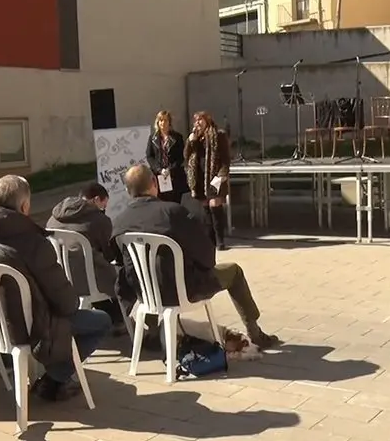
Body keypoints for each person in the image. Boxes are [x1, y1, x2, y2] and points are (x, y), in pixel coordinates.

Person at [0, 176, 112, 401]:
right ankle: (56, 377)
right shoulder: (32, 241)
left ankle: (55, 374)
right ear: (24, 206)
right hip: (36, 328)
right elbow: (66, 302)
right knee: (101, 321)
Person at [111, 165, 279, 348]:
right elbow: (206, 255)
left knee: (149, 274)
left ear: (128, 190)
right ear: (154, 183)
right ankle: (255, 333)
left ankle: (150, 334)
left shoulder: (119, 222)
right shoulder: (173, 213)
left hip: (145, 293)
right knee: (234, 272)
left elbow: (119, 264)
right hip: (184, 290)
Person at [46, 182, 117, 298]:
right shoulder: (100, 220)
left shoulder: (53, 219)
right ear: (96, 199)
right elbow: (109, 255)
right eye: (104, 206)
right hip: (90, 281)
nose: (104, 210)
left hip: (60, 277)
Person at [184, 111, 231, 250]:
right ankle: (210, 240)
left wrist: (222, 175)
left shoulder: (218, 134)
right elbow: (186, 156)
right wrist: (190, 141)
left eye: (200, 120)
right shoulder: (195, 138)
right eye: (196, 121)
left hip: (214, 176)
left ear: (207, 120)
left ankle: (220, 240)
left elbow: (225, 158)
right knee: (206, 209)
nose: (197, 123)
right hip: (200, 176)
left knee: (215, 206)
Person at [145, 111, 189, 203]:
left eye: (165, 120)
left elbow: (181, 157)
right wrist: (159, 169)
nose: (163, 123)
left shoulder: (177, 137)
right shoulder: (152, 138)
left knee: (175, 201)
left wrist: (170, 169)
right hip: (159, 176)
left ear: (169, 122)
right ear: (157, 122)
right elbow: (149, 156)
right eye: (161, 120)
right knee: (161, 201)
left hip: (174, 175)